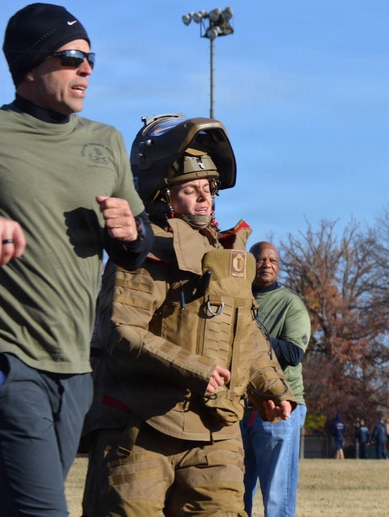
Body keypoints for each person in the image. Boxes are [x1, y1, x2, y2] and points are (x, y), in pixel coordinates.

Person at [0, 2, 152, 516]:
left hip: (74, 366)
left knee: (10, 504)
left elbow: (136, 252)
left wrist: (131, 233)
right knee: (42, 511)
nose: (86, 69)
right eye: (71, 56)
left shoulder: (105, 142)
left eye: (91, 58)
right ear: (30, 64)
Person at [82, 114, 294, 517]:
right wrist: (196, 369)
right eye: (191, 190)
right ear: (162, 194)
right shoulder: (142, 252)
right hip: (140, 426)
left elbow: (243, 332)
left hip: (216, 430)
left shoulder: (224, 256)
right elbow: (120, 333)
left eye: (208, 189)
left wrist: (271, 386)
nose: (204, 198)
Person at [241, 240, 311, 517]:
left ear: (279, 267)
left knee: (276, 499)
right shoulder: (237, 298)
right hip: (236, 408)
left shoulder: (291, 304)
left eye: (272, 260)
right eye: (259, 259)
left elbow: (293, 353)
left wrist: (250, 338)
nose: (266, 264)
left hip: (278, 407)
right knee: (233, 494)